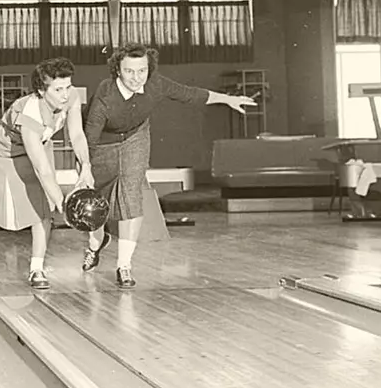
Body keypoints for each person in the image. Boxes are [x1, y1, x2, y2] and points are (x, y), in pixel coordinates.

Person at [81, 43, 255, 288]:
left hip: (135, 137)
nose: (136, 77)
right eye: (129, 71)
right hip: (103, 144)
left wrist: (227, 99)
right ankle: (95, 244)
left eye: (142, 70)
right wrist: (85, 169)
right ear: (117, 70)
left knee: (132, 195)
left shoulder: (156, 83)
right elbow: (89, 137)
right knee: (98, 203)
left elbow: (190, 94)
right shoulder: (105, 95)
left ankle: (124, 265)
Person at [0, 57, 94, 289]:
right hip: (3, 151)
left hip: (39, 145)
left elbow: (77, 136)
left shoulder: (71, 98)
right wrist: (64, 204)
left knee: (41, 206)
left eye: (68, 87)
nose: (65, 94)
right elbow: (42, 170)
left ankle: (37, 268)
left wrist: (86, 167)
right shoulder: (30, 113)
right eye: (58, 89)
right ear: (42, 91)